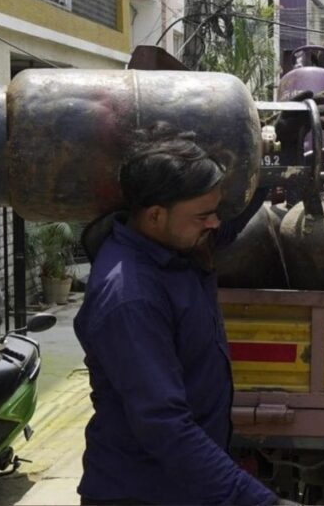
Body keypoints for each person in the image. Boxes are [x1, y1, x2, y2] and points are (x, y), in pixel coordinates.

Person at [74, 126, 279, 505]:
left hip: (180, 488)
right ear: (155, 215)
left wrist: (273, 159)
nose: (214, 223)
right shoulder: (131, 296)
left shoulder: (174, 245)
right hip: (141, 495)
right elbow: (165, 426)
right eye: (204, 215)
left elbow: (228, 225)